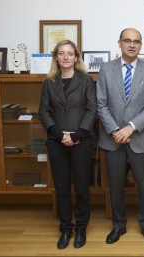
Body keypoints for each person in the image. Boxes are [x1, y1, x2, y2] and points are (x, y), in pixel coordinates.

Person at [96, 28, 144, 245]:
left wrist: (130, 127)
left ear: (141, 45)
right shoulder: (105, 69)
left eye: (136, 42)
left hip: (139, 139)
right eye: (127, 41)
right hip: (112, 140)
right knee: (115, 187)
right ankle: (118, 225)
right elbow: (101, 104)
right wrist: (116, 130)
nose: (132, 45)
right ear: (120, 43)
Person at [38, 40, 96, 249]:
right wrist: (56, 133)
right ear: (56, 57)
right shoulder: (49, 82)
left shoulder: (87, 81)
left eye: (69, 53)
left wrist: (77, 134)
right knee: (62, 188)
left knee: (81, 188)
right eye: (61, 53)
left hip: (81, 140)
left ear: (76, 57)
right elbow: (43, 111)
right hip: (56, 142)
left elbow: (92, 110)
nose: (65, 57)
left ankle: (81, 228)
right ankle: (65, 229)